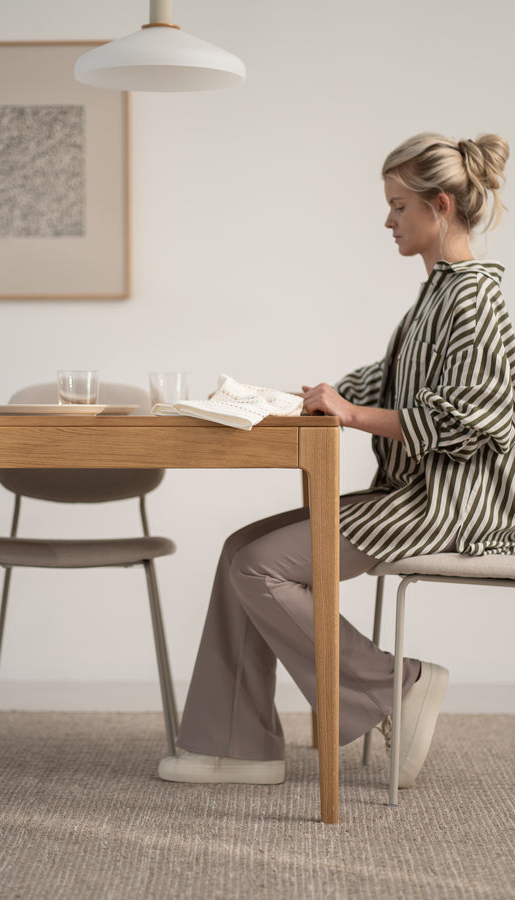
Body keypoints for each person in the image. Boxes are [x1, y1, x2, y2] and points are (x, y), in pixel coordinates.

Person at [159, 132, 515, 788]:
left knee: (261, 567)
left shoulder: (475, 299)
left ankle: (394, 684)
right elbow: (394, 379)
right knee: (243, 547)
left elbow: (467, 422)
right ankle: (237, 744)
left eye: (398, 206)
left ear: (439, 206)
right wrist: (308, 398)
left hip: (448, 509)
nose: (387, 220)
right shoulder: (440, 293)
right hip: (413, 495)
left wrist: (348, 413)